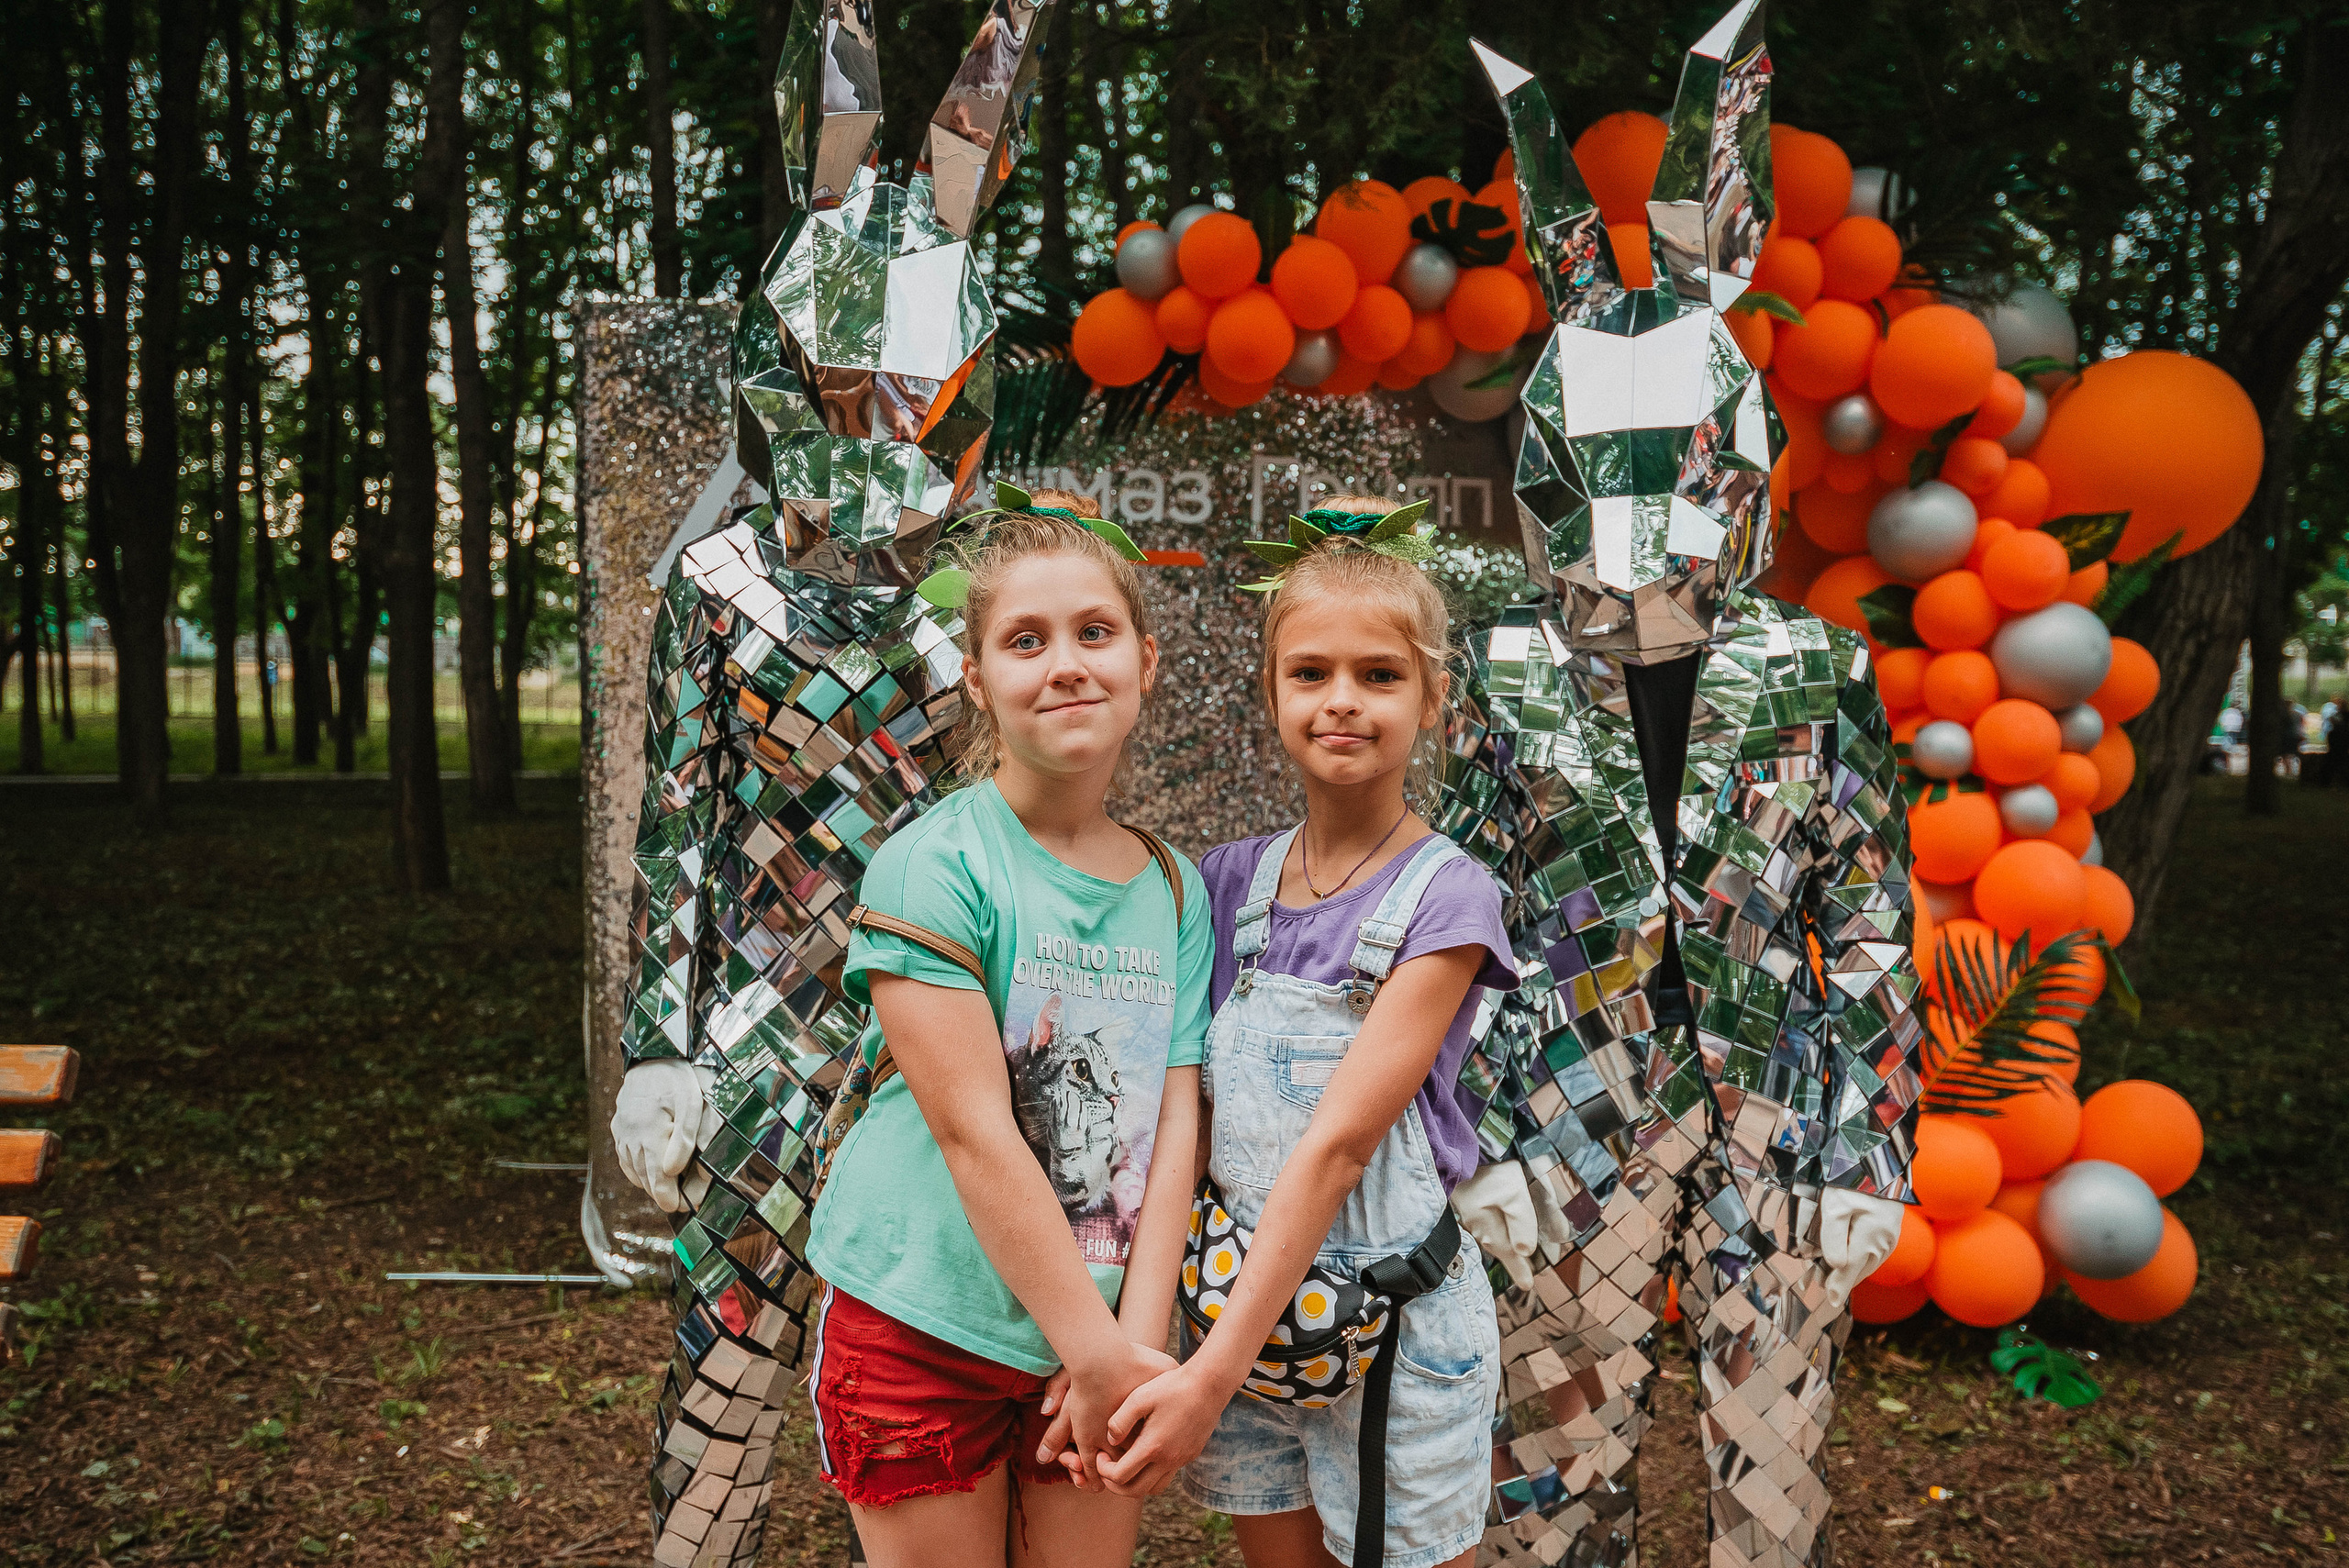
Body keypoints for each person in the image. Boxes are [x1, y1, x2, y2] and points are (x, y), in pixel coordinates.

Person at [1087, 497, 1517, 1568]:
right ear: (1270, 692)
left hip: (1393, 1338)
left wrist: (1208, 1374)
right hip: (1240, 1310)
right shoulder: (1223, 881)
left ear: (1434, 699)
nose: (1342, 701)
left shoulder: (1447, 898)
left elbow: (1336, 1147)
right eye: (1310, 671)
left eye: (1380, 675)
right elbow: (1176, 1107)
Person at [801, 495, 1216, 1567]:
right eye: (1025, 641)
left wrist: (1136, 1345)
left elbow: (1175, 1121)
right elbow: (975, 1132)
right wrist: (1097, 1351)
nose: (1066, 663)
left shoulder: (1174, 887)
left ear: (1145, 659)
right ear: (980, 678)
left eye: (1094, 631)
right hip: (923, 1319)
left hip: (1097, 1334)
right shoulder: (936, 865)